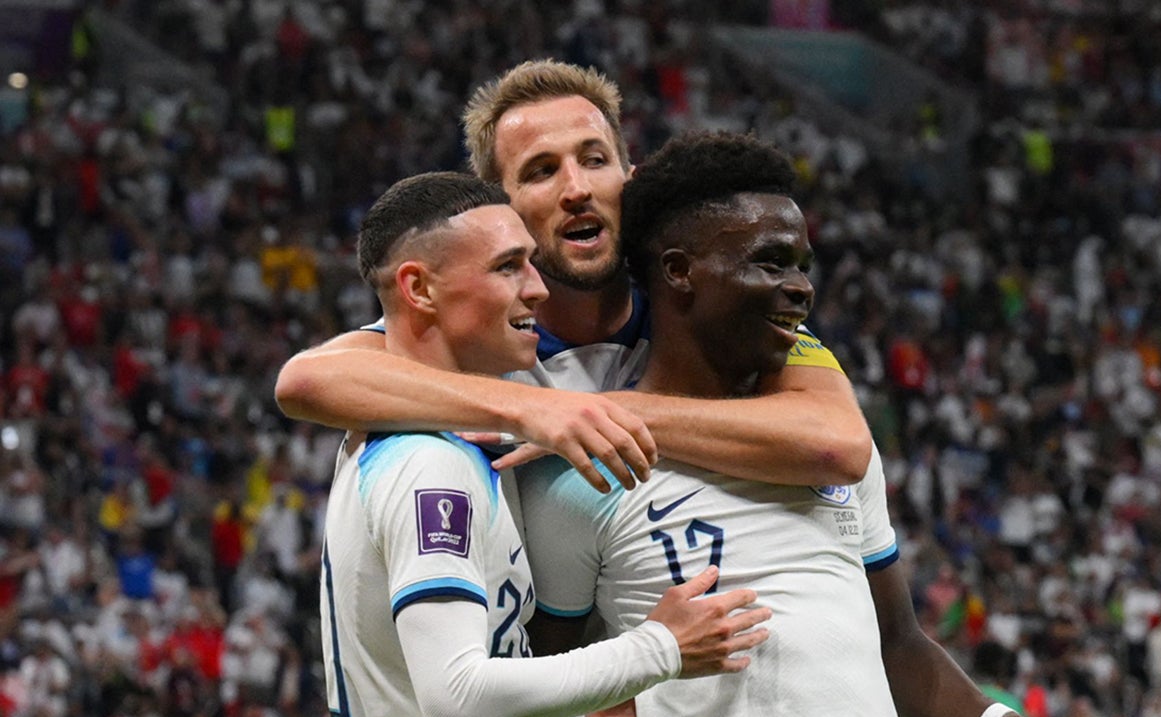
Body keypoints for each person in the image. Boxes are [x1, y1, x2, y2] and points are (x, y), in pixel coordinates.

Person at [518, 132, 1063, 717]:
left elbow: (897, 642)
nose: (800, 287)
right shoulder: (585, 470)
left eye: (802, 264)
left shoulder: (829, 440)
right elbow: (547, 701)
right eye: (771, 262)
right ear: (680, 270)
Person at [319, 170, 771, 717]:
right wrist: (659, 648)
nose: (536, 289)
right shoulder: (429, 466)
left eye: (531, 264)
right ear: (418, 288)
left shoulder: (446, 448)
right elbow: (457, 700)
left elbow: (423, 701)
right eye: (508, 268)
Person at [274, 59, 872, 495]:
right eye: (540, 171)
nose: (577, 189)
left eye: (593, 160)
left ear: (627, 176)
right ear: (500, 207)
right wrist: (525, 410)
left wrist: (595, 412)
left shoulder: (698, 305)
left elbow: (837, 442)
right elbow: (308, 380)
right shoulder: (480, 329)